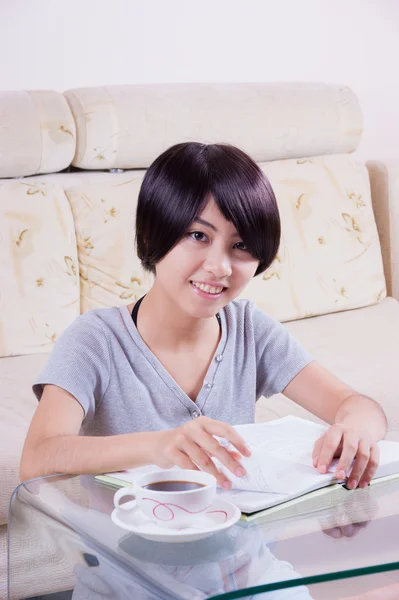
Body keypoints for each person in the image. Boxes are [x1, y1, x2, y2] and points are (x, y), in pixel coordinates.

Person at [20, 142, 387, 492]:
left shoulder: (249, 330)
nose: (219, 267)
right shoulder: (95, 340)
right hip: (126, 549)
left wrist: (355, 430)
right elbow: (38, 457)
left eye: (240, 245)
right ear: (153, 234)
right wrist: (158, 446)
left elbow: (356, 405)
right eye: (198, 235)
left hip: (234, 544)